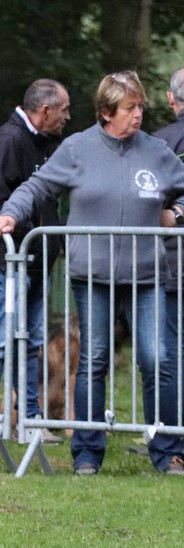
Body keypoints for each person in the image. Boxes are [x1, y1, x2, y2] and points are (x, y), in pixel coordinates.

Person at [0, 71, 184, 475]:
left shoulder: (158, 152)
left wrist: (177, 214)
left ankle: (167, 451)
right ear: (107, 111)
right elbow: (35, 188)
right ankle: (87, 453)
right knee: (93, 360)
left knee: (158, 359)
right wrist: (10, 214)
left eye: (141, 107)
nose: (138, 115)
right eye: (130, 108)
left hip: (147, 276)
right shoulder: (77, 149)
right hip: (92, 277)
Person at [0, 79, 71, 445]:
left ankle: (29, 418)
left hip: (36, 260)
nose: (67, 117)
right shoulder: (8, 141)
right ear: (45, 110)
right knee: (0, 338)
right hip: (9, 260)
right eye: (64, 110)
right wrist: (27, 231)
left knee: (31, 342)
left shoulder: (42, 143)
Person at [152, 67, 184, 418]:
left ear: (170, 98)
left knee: (172, 345)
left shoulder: (158, 143)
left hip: (173, 259)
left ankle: (173, 430)